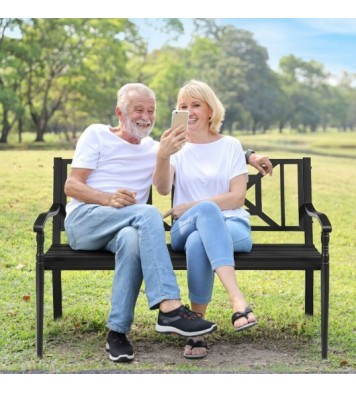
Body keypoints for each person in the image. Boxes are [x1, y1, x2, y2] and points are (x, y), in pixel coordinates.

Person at [63, 83, 218, 363]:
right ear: (119, 112)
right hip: (86, 221)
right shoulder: (97, 134)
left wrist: (249, 155)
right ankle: (170, 307)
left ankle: (117, 333)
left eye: (151, 111)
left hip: (122, 228)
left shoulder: (157, 148)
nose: (145, 117)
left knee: (132, 240)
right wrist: (106, 198)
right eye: (138, 109)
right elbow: (71, 186)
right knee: (147, 213)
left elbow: (200, 152)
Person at [153, 79, 260, 360]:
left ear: (210, 110)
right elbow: (163, 189)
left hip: (232, 226)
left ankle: (196, 330)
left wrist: (192, 205)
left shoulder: (231, 146)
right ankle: (237, 300)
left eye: (196, 105)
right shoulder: (175, 147)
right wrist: (163, 156)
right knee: (204, 219)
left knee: (202, 237)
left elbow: (237, 197)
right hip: (183, 230)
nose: (189, 111)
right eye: (182, 106)